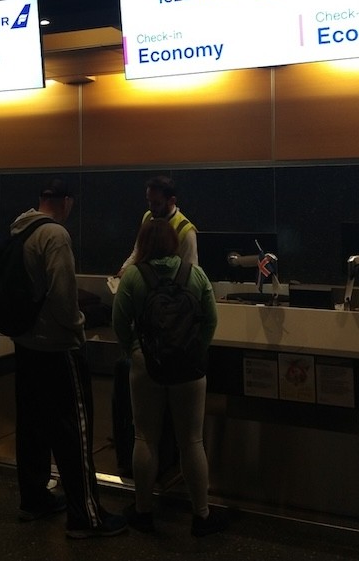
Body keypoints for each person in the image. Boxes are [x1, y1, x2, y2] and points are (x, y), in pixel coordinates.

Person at [11, 178, 127, 539]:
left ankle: (33, 499)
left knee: (31, 426)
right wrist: (79, 327)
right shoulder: (55, 236)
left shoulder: (19, 228)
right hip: (57, 347)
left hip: (26, 343)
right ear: (67, 203)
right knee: (73, 430)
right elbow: (64, 296)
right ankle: (85, 516)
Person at [111, 217, 227, 537]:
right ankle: (201, 515)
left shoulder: (133, 276)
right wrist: (194, 351)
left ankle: (144, 512)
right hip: (190, 370)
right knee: (192, 440)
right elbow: (211, 322)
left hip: (146, 364)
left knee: (145, 437)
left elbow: (119, 322)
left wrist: (134, 351)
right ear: (175, 243)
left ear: (144, 244)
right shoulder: (196, 275)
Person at [116, 175, 198, 276]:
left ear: (172, 201)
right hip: (147, 283)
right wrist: (124, 270)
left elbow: (191, 272)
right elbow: (138, 251)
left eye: (157, 203)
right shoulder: (148, 217)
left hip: (171, 287)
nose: (151, 208)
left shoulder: (186, 231)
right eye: (149, 201)